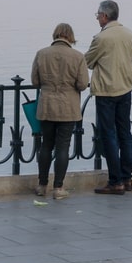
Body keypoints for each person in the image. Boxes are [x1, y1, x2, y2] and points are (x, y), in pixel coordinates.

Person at [85, 0, 132, 195]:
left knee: (109, 135)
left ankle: (115, 181)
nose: (97, 18)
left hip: (107, 90)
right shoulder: (129, 33)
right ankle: (127, 178)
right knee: (125, 133)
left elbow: (88, 61)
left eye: (98, 15)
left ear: (105, 16)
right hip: (125, 87)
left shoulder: (102, 38)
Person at [32, 23, 89, 200]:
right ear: (70, 37)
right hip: (68, 107)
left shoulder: (41, 54)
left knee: (46, 145)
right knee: (63, 146)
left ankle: (42, 185)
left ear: (55, 35)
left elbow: (35, 81)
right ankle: (58, 188)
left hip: (47, 105)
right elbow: (82, 84)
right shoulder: (78, 56)